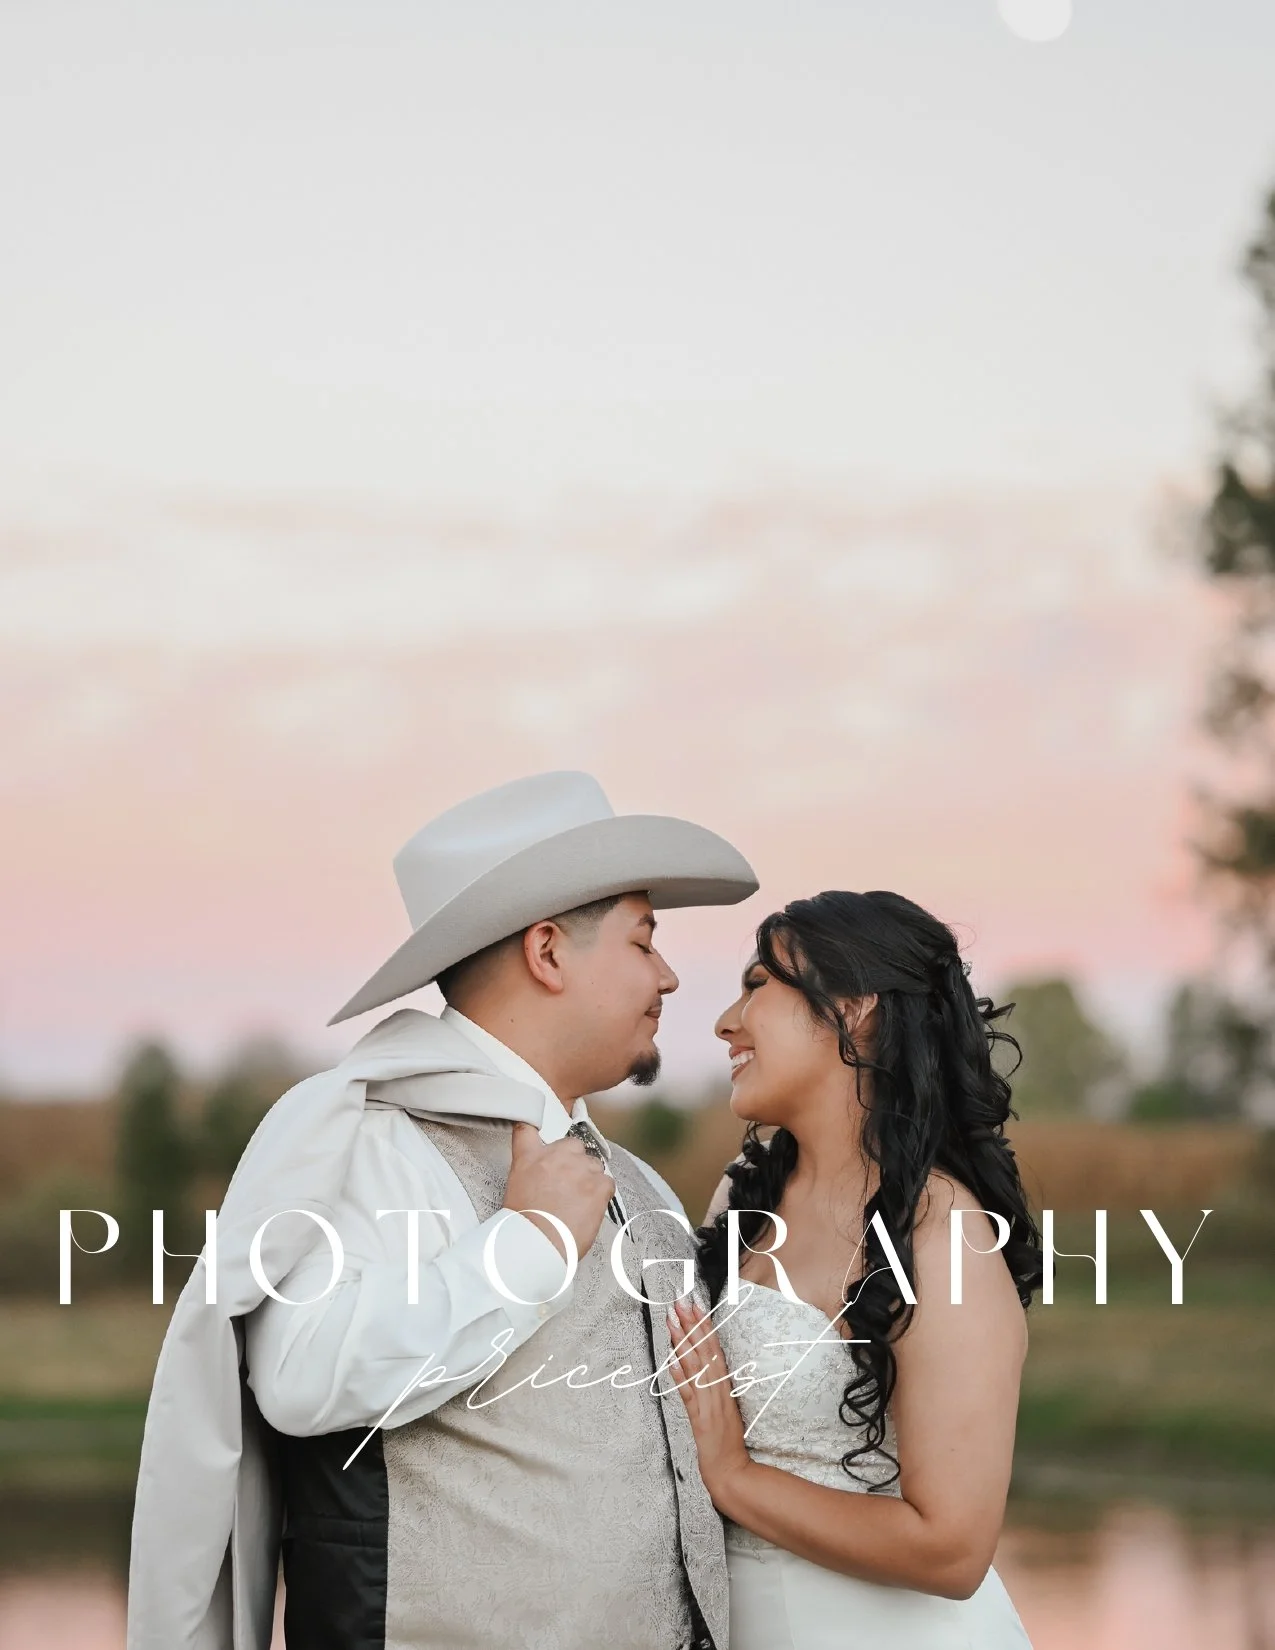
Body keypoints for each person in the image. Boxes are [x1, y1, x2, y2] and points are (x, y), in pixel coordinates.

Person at [125, 770, 757, 1650]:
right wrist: (524, 1246)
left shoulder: (640, 1186)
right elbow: (301, 1377)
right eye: (643, 940)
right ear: (546, 952)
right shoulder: (371, 1138)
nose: (671, 975)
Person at [667, 889, 1041, 1650]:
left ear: (854, 1007)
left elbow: (952, 1549)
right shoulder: (741, 1196)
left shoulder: (941, 1231)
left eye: (756, 985)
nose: (724, 1022)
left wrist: (736, 1478)